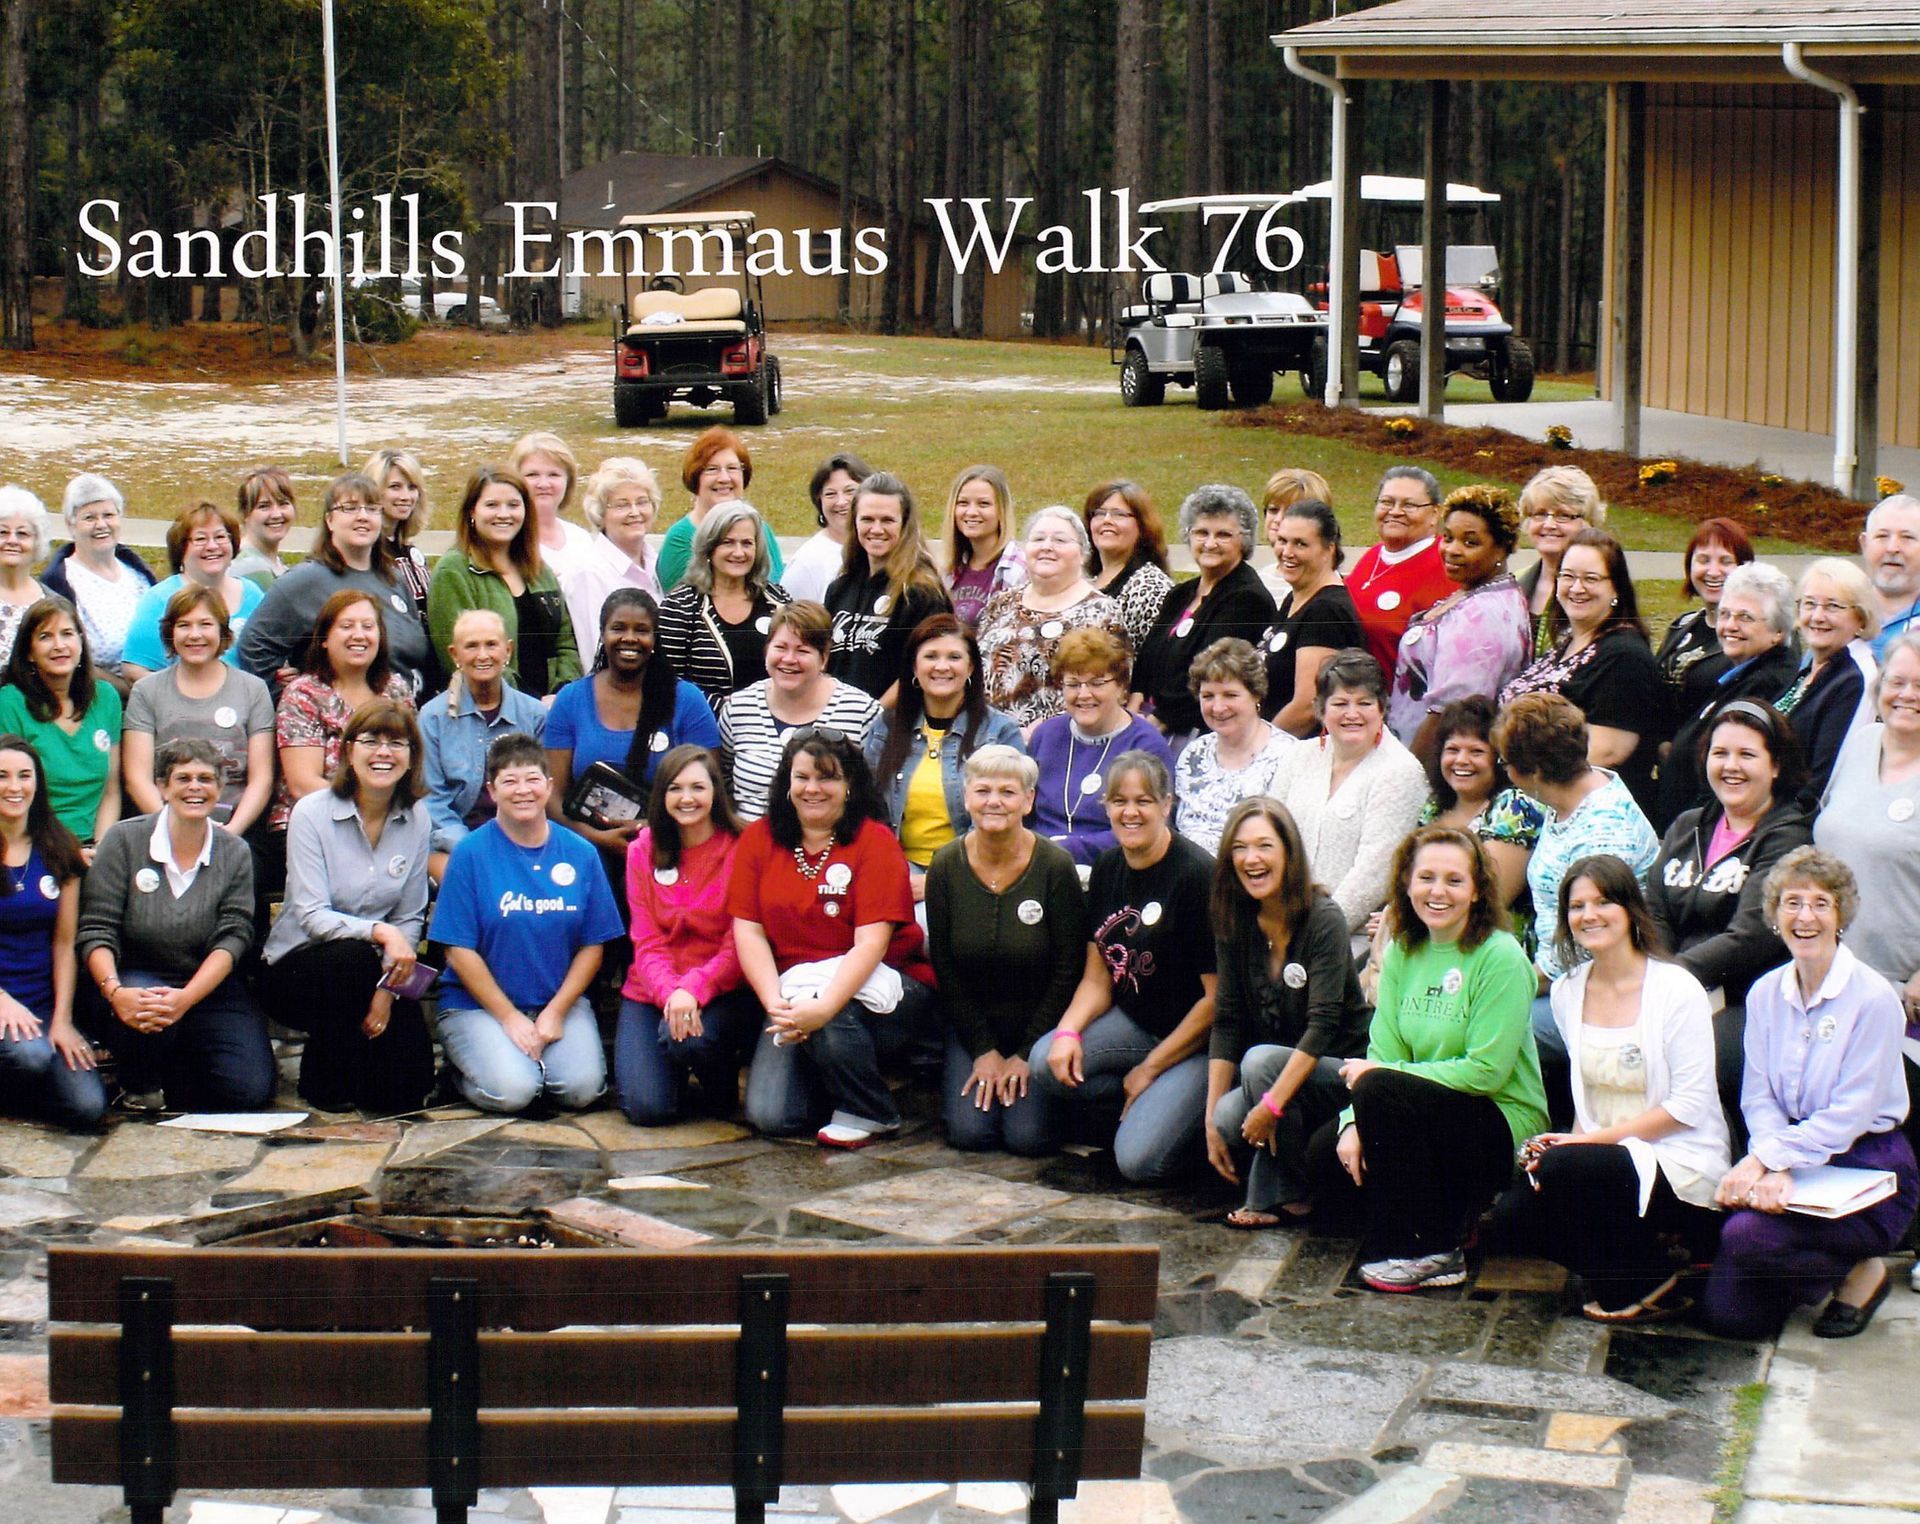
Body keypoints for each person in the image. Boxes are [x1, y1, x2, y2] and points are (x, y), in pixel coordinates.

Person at [1494, 856, 1729, 1322]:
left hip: (1678, 1157)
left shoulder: (1676, 989)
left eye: (1603, 902)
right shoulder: (1567, 992)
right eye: (1577, 906)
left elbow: (1688, 1107)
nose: (1589, 915)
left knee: (1563, 1170)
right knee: (1513, 1215)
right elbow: (1587, 1098)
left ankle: (1634, 1276)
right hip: (1600, 1153)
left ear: (1630, 909)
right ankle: (1647, 1271)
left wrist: (1581, 1147)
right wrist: (1571, 1147)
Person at [1312, 827, 1546, 1292]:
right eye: (1426, 878)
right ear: (1406, 883)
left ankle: (1436, 1251)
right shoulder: (1403, 948)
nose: (1438, 892)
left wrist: (1382, 1081)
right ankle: (1454, 1212)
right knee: (1324, 1159)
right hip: (1420, 1107)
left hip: (1500, 1119)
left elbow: (1486, 1071)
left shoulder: (1500, 956)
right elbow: (1383, 1052)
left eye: (1454, 881)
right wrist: (1352, 1124)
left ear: (1477, 890)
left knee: (1378, 1091)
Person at [1704, 848, 1918, 1340]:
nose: (1805, 917)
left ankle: (1862, 1271)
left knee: (1746, 1235)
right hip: (1795, 1155)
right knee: (1729, 1319)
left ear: (1841, 915)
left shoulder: (1873, 998)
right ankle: (1806, 1272)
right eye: (1792, 902)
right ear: (1775, 915)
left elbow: (1850, 1114)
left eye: (1821, 903)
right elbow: (1758, 1097)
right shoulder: (1763, 993)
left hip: (1869, 1163)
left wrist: (1769, 1162)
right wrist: (1775, 1163)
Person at [730, 729, 937, 1148]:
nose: (812, 789)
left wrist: (822, 1009)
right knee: (774, 1115)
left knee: (828, 1021)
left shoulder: (874, 841)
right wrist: (776, 1006)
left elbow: (871, 944)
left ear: (849, 786)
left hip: (881, 988)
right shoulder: (759, 839)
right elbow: (748, 930)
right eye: (801, 777)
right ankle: (832, 1081)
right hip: (792, 991)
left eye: (827, 778)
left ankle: (871, 1110)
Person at [1028, 752, 1217, 1181]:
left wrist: (1151, 1068)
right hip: (1136, 1025)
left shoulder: (1195, 875)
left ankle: (1176, 1117)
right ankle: (1141, 1104)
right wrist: (1068, 1032)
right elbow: (1097, 977)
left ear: (1167, 805)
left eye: (1144, 801)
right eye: (1119, 801)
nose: (1130, 812)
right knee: (1046, 1062)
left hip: (1195, 1041)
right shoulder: (1109, 867)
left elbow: (1216, 1001)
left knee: (1138, 1163)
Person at [427, 733, 622, 1113]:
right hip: (479, 1007)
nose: (523, 791)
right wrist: (509, 1018)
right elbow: (458, 950)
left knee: (580, 1090)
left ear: (549, 786)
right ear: (492, 790)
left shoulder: (580, 853)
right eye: (509, 781)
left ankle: (525, 1060)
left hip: (556, 1001)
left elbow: (593, 945)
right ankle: (461, 1071)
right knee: (515, 1092)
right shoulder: (469, 854)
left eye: (533, 779)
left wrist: (556, 1011)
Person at [77, 738, 273, 1111]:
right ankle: (139, 1081)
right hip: (134, 977)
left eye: (206, 778)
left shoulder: (235, 851)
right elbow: (96, 929)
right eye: (183, 778)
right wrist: (115, 991)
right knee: (148, 1006)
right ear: (163, 787)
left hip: (205, 985)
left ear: (219, 788)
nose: (195, 787)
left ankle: (175, 1072)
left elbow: (234, 936)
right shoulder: (124, 840)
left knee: (249, 1091)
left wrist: (186, 998)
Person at [259, 700, 435, 1113]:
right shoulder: (311, 814)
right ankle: (323, 1073)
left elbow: (410, 916)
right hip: (299, 967)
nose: (383, 752)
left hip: (377, 969)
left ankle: (359, 1065)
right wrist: (381, 933)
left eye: (397, 743)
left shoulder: (418, 817)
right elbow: (312, 915)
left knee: (406, 1090)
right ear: (347, 750)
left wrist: (388, 994)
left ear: (412, 756)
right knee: (350, 958)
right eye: (370, 740)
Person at [1647, 700, 1812, 1134]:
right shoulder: (1687, 826)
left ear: (1775, 766)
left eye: (1747, 755)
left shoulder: (1788, 838)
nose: (1731, 766)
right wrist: (1653, 977)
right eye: (1720, 754)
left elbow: (1754, 936)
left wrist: (1670, 980)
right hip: (1671, 983)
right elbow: (1653, 911)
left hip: (1744, 996)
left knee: (1698, 1061)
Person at [1206, 799, 1370, 1228]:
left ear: (1288, 854)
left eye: (1264, 846)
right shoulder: (1234, 917)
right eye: (1240, 848)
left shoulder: (1323, 919)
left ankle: (1280, 1196)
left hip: (1338, 1070)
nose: (1251, 859)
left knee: (1259, 1063)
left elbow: (1323, 1027)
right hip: (1277, 1076)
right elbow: (1226, 1019)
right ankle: (1295, 1178)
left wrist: (1270, 1107)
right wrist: (1206, 1121)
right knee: (1225, 1117)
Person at [926, 746, 1086, 1153]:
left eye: (1008, 792)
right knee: (970, 1134)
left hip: (1038, 1027)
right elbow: (943, 964)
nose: (994, 801)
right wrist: (983, 1050)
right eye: (982, 790)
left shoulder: (1054, 865)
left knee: (1027, 1139)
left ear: (1029, 800)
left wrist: (1025, 1053)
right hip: (972, 1026)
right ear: (965, 797)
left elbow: (1069, 967)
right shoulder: (944, 865)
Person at [1813, 632, 1920, 1199]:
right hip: (1837, 976)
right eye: (1898, 681)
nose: (1906, 695)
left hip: (1906, 989)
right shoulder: (1861, 745)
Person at [617, 745, 759, 1124]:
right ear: (661, 795)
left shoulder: (742, 847)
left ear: (716, 791)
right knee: (648, 1110)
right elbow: (646, 940)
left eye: (697, 787)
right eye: (675, 788)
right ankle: (671, 1069)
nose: (687, 798)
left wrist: (693, 989)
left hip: (722, 988)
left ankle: (715, 1076)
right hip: (654, 990)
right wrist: (671, 994)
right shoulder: (642, 850)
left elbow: (737, 943)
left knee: (690, 1041)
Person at [545, 589, 721, 866]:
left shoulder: (687, 700)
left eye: (642, 630)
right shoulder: (571, 699)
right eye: (618, 628)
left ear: (655, 638)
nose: (630, 638)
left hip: (670, 850)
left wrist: (652, 833)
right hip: (586, 853)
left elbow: (709, 788)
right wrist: (595, 837)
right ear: (602, 634)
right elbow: (552, 796)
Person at [1500, 528, 1668, 811]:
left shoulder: (1625, 657)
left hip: (1577, 810)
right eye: (1568, 576)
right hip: (1527, 793)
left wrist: (1520, 774)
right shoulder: (1568, 641)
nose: (1577, 588)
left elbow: (1607, 751)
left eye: (1591, 578)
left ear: (1616, 588)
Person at [1266, 649, 1427, 937]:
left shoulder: (1401, 771)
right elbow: (1269, 835)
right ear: (1321, 710)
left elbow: (1375, 874)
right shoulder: (1298, 756)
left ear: (1381, 708)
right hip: (1280, 924)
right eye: (1340, 703)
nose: (1352, 714)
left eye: (1364, 703)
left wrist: (1314, 935)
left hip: (1351, 939)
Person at [238, 472, 434, 697]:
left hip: (401, 718)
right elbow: (254, 647)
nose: (362, 516)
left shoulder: (394, 578)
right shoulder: (304, 581)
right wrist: (286, 701)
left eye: (371, 508)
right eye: (350, 508)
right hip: (337, 725)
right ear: (330, 520)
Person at [866, 613, 1020, 883]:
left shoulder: (999, 731)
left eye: (954, 657)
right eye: (931, 656)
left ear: (971, 667)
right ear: (914, 667)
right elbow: (867, 805)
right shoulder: (887, 727)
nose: (941, 666)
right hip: (895, 869)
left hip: (972, 873)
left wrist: (934, 882)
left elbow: (1008, 817)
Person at [0, 735, 102, 1127]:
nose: (14, 787)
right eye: (3, 776)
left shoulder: (60, 849)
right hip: (4, 1005)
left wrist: (61, 1019)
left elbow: (64, 944)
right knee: (31, 1055)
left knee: (87, 1108)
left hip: (41, 1008)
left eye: (25, 776)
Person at [1387, 485, 1531, 754]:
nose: (1452, 550)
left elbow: (1448, 716)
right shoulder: (1481, 591)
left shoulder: (1482, 616)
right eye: (1448, 537)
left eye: (1470, 542)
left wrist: (1410, 780)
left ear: (1502, 547)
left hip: (1431, 765)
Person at [1655, 562, 1799, 829]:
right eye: (1725, 614)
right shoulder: (1742, 672)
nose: (1730, 626)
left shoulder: (1764, 684)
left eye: (1745, 617)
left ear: (1779, 631)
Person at [123, 587, 275, 837]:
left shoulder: (253, 690)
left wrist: (229, 834)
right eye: (184, 625)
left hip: (236, 829)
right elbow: (138, 778)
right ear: (170, 632)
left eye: (205, 624)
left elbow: (261, 779)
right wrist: (173, 830)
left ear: (223, 632)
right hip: (163, 828)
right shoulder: (146, 691)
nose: (195, 635)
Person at [1132, 484, 1276, 746]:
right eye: (1201, 533)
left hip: (1197, 731)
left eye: (1223, 534)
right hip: (1147, 722)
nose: (1210, 543)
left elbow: (1209, 676)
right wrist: (1135, 702)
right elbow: (1147, 660)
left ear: (1243, 540)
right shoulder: (1181, 594)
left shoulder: (1247, 599)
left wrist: (1159, 720)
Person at [427, 467, 581, 702]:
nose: (503, 514)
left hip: (552, 708)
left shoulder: (538, 570)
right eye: (491, 505)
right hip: (490, 710)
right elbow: (459, 657)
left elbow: (565, 641)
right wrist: (528, 704)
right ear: (472, 511)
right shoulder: (454, 572)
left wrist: (561, 696)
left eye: (513, 505)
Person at [271, 590, 415, 835]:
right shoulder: (303, 694)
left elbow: (410, 762)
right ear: (324, 638)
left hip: (387, 819)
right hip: (314, 824)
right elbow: (302, 783)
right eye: (347, 626)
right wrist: (366, 810)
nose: (359, 635)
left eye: (368, 626)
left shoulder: (396, 690)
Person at [419, 609, 549, 880]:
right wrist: (474, 849)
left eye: (491, 644)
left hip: (525, 836)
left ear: (508, 650)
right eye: (471, 646)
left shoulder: (534, 715)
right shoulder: (433, 718)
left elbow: (544, 792)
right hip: (456, 843)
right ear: (455, 655)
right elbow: (433, 801)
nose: (482, 655)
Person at [724, 602, 883, 823]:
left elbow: (875, 791)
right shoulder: (739, 706)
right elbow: (723, 781)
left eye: (802, 650)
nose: (789, 659)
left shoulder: (862, 712)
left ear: (824, 659)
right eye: (780, 647)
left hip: (833, 848)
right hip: (751, 846)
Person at [1028, 628, 1171, 866]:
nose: (1084, 694)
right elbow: (1024, 813)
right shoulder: (1046, 735)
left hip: (1113, 868)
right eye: (1073, 684)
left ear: (1121, 687)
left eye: (1097, 683)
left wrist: (1063, 849)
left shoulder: (1145, 745)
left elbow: (1155, 826)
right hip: (1039, 867)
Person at [976, 507, 1125, 731]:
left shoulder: (1101, 612)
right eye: (1038, 539)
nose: (1047, 546)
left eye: (1060, 540)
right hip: (986, 739)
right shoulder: (1001, 602)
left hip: (1056, 741)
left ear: (1083, 553)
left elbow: (1109, 690)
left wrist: (1040, 733)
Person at [0, 598, 121, 848]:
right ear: (29, 652)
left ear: (80, 642)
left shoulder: (106, 698)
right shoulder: (9, 703)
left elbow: (111, 790)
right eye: (45, 637)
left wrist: (101, 850)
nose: (59, 645)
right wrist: (67, 853)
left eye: (67, 634)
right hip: (34, 845)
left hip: (95, 845)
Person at [824, 471, 952, 705]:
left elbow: (922, 670)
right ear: (854, 521)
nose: (876, 529)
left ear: (904, 525)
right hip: (835, 725)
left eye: (887, 520)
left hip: (890, 728)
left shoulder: (922, 593)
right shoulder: (839, 589)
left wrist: (873, 717)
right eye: (867, 519)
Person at [1416, 696, 1545, 922]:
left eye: (1476, 752)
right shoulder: (1434, 808)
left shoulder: (1514, 807)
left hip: (1487, 940)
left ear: (1500, 759)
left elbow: (1493, 900)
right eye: (1453, 749)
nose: (1461, 760)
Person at [656, 500, 793, 709]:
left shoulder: (778, 600)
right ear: (709, 547)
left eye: (747, 543)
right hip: (706, 728)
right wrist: (727, 708)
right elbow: (667, 682)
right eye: (727, 542)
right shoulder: (680, 606)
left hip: (773, 725)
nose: (739, 553)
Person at [119, 501, 266, 680]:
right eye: (200, 539)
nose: (212, 546)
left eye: (220, 537)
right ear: (181, 548)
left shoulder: (253, 593)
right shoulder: (159, 599)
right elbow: (134, 670)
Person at [1173, 638, 1294, 857]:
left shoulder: (1289, 756)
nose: (1218, 707)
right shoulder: (1192, 753)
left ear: (1256, 694)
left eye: (1230, 695)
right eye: (1208, 696)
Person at [1775, 558, 1878, 805]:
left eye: (1832, 606)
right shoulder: (1812, 667)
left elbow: (1827, 779)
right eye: (1809, 604)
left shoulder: (1856, 678)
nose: (1817, 616)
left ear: (1861, 618)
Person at [1259, 497, 1365, 737]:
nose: (1287, 552)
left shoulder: (1326, 612)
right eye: (1282, 541)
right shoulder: (1296, 597)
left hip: (1296, 752)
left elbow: (1307, 707)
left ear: (1329, 549)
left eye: (1300, 544)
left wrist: (1259, 752)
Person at [41, 473, 156, 686]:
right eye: (89, 517)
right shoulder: (58, 584)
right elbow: (67, 658)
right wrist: (130, 693)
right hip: (99, 699)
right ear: (70, 524)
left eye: (108, 515)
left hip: (155, 689)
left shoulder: (138, 573)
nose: (101, 524)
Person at [1345, 467, 1451, 678]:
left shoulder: (1446, 565)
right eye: (1386, 502)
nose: (1394, 511)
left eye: (1409, 505)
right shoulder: (1373, 556)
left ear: (1435, 513)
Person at [559, 456, 665, 667]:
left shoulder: (656, 562)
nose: (635, 512)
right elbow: (594, 656)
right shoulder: (587, 573)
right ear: (601, 514)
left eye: (642, 502)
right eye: (622, 505)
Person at [656, 426, 784, 591]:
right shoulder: (681, 538)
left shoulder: (761, 530)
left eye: (732, 468)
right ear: (696, 477)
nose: (724, 478)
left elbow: (776, 587)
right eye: (712, 469)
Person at [1655, 517, 1754, 705]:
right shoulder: (1682, 626)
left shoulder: (1752, 637)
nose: (1713, 571)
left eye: (1725, 561)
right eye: (1703, 560)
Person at [1514, 466, 1608, 654]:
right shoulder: (1514, 583)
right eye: (1540, 514)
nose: (1549, 525)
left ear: (1588, 522)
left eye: (1563, 515)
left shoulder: (1602, 587)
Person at [1082, 479, 1173, 650]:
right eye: (1099, 513)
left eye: (1119, 514)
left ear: (1143, 526)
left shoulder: (1151, 587)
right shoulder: (1085, 579)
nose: (1107, 520)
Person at [941, 465, 1028, 630]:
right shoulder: (950, 571)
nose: (971, 512)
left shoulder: (1017, 569)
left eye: (983, 504)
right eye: (963, 503)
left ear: (1001, 511)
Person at [365, 447, 434, 646]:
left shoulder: (413, 554)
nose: (406, 496)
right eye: (395, 487)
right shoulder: (366, 553)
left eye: (412, 487)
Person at [781, 453, 871, 605]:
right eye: (830, 494)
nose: (841, 502)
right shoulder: (807, 563)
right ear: (819, 502)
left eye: (850, 491)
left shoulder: (883, 548)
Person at [506, 430, 593, 582]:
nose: (544, 484)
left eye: (554, 475)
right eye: (532, 475)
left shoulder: (581, 539)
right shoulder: (507, 541)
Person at [1256, 467, 1335, 600]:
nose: (1278, 519)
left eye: (1291, 513)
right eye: (1273, 510)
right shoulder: (1261, 577)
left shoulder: (1322, 590)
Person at [1860, 492, 1920, 659]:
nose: (1892, 548)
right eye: (1882, 536)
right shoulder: (1839, 612)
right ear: (1864, 545)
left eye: (1907, 537)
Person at [0, 486, 51, 669]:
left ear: (37, 542)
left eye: (22, 533)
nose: (12, 540)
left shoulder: (52, 602)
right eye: (3, 532)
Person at [230, 466, 297, 586]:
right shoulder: (250, 566)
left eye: (283, 503)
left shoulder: (276, 564)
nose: (276, 514)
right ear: (245, 513)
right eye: (264, 506)